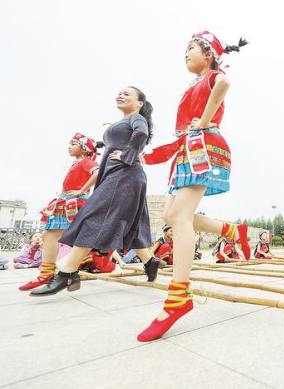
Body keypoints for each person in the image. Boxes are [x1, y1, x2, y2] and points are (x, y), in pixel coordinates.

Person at [138, 31, 249, 341]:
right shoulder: (196, 82)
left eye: (191, 48)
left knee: (179, 217)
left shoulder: (213, 76)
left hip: (204, 146)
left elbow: (224, 84)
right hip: (191, 148)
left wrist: (204, 119)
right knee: (171, 216)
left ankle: (177, 297)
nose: (185, 53)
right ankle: (230, 231)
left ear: (208, 53)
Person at [29, 87, 163, 297]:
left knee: (93, 218)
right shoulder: (121, 122)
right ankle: (150, 261)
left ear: (139, 103)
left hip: (125, 174)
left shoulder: (137, 118)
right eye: (119, 92)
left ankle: (66, 273)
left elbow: (142, 134)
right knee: (131, 225)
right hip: (117, 175)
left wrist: (127, 155)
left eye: (127, 94)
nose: (120, 95)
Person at [19, 134, 102, 290]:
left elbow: (98, 173)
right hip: (67, 200)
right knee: (52, 236)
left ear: (84, 148)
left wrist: (81, 190)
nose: (69, 146)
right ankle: (65, 272)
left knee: (51, 236)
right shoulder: (80, 162)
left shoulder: (87, 162)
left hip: (72, 202)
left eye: (73, 143)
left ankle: (48, 274)